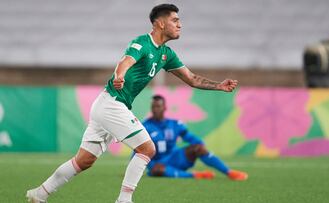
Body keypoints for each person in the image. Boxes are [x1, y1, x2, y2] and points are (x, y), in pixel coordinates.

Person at [26, 4, 239, 203]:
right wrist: (119, 76)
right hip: (112, 104)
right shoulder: (142, 43)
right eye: (175, 20)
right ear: (160, 23)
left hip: (108, 105)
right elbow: (125, 61)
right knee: (147, 149)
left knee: (83, 161)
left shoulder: (166, 54)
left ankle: (39, 194)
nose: (180, 24)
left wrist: (219, 85)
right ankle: (124, 200)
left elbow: (191, 79)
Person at [143, 95, 248, 181]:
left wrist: (202, 149)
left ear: (164, 108)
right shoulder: (145, 126)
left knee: (198, 148)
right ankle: (195, 175)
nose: (155, 109)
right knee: (157, 169)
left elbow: (190, 138)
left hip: (176, 158)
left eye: (158, 106)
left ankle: (229, 172)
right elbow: (139, 149)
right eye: (153, 107)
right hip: (159, 164)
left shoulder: (174, 124)